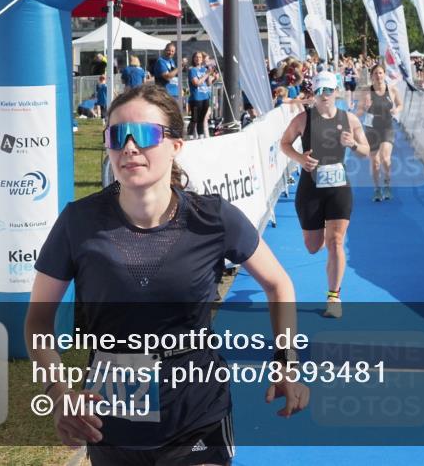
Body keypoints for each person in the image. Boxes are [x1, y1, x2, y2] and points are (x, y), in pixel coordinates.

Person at [26, 84, 308, 463]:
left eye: (143, 135)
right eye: (116, 135)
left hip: (197, 406)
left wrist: (286, 360)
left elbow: (278, 283)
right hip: (111, 414)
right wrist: (59, 392)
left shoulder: (213, 217)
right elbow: (39, 320)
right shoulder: (78, 221)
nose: (128, 147)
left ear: (176, 145)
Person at [280, 72, 370, 319]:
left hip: (338, 188)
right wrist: (300, 159)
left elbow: (365, 151)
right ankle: (324, 243)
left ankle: (334, 296)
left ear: (336, 92)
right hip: (310, 189)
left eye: (329, 91)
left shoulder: (349, 119)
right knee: (313, 246)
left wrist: (352, 144)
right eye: (320, 91)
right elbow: (284, 143)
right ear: (314, 93)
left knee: (336, 242)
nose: (325, 96)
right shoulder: (303, 119)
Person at [356, 64, 402, 202]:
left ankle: (387, 183)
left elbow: (400, 104)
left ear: (384, 74)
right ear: (372, 76)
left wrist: (396, 110)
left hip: (387, 127)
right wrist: (364, 108)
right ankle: (377, 189)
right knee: (375, 162)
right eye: (376, 73)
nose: (378, 76)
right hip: (371, 129)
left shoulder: (392, 89)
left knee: (385, 159)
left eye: (381, 73)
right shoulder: (366, 91)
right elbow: (359, 110)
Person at [187, 52, 213, 139]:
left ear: (202, 59)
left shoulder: (204, 70)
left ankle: (201, 136)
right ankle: (190, 136)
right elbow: (196, 83)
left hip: (205, 97)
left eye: (200, 57)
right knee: (194, 119)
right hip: (196, 98)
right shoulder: (192, 70)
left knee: (202, 119)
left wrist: (212, 76)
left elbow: (208, 83)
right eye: (196, 57)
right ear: (193, 59)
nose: (198, 59)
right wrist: (206, 74)